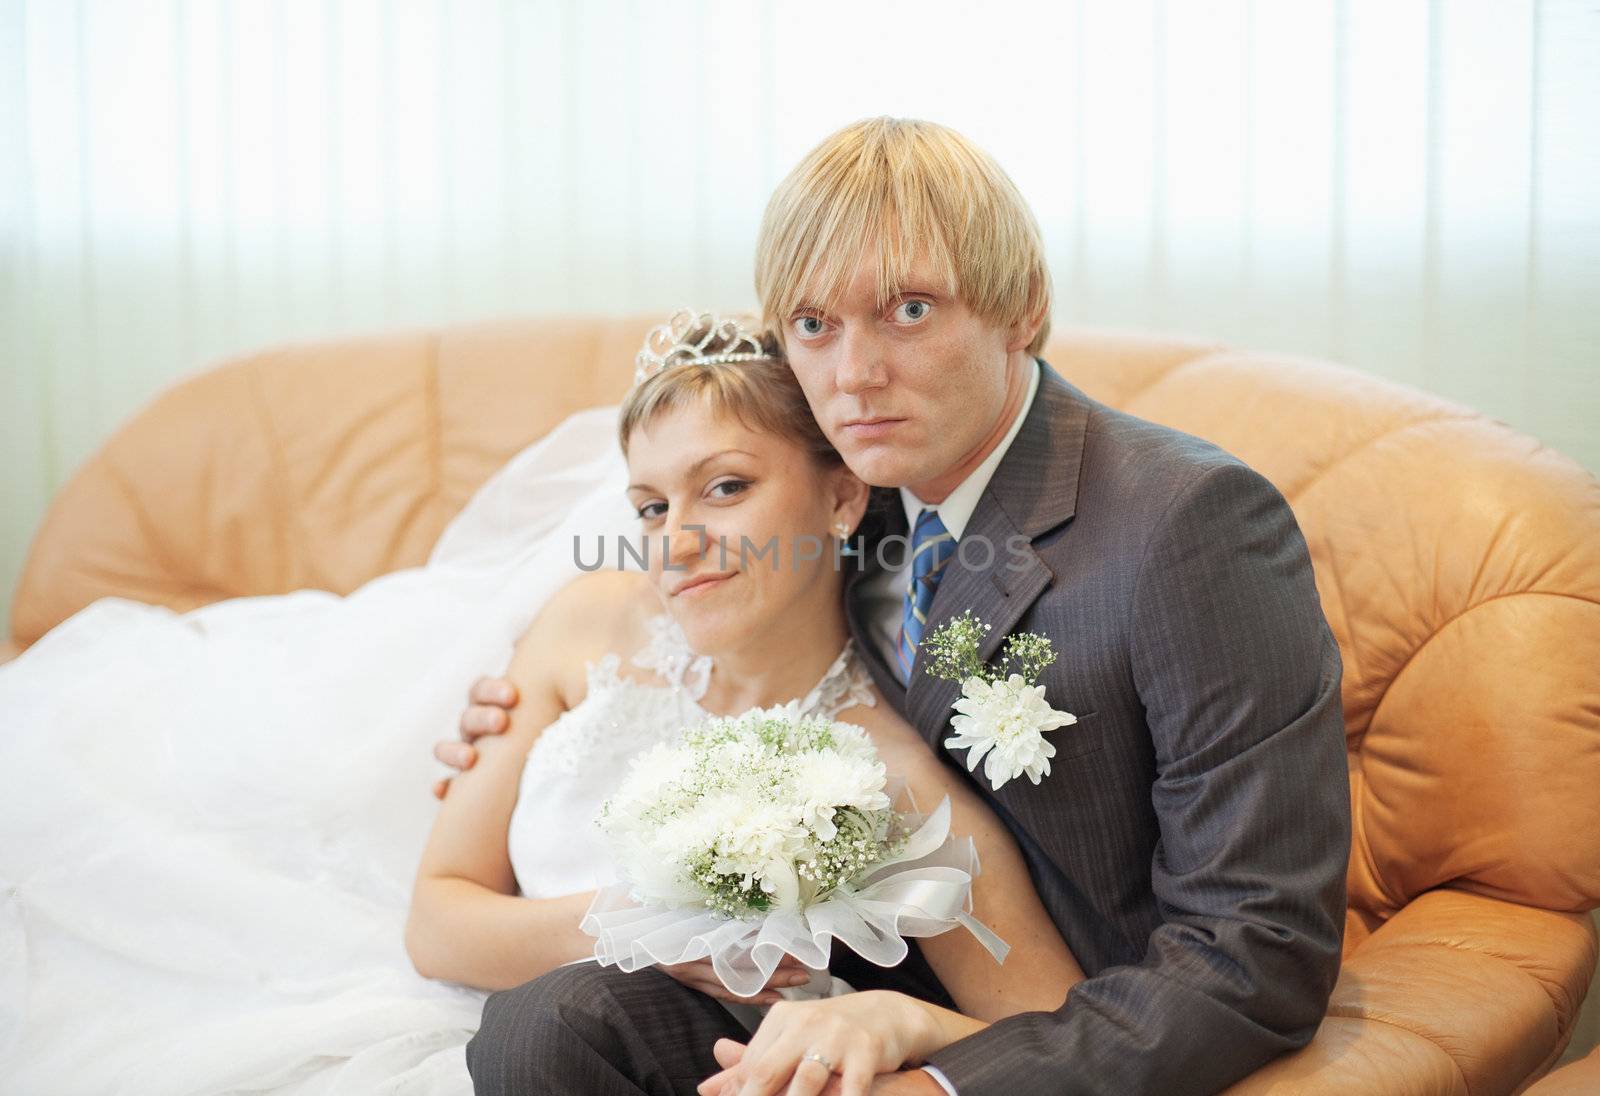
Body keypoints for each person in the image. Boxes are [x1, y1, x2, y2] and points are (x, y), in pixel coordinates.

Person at [445, 118, 1351, 1096]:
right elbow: (703, 584)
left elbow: (1254, 958)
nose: (852, 376)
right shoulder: (846, 487)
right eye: (813, 325)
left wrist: (934, 1066)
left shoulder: (1188, 526)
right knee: (543, 1030)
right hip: (824, 966)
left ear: (1024, 308)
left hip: (1055, 1020)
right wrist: (516, 724)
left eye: (909, 309)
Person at [409, 312, 1086, 1089]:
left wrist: (906, 1022)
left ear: (841, 496)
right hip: (465, 1028)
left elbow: (1054, 1033)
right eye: (653, 507)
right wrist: (642, 928)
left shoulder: (885, 773)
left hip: (664, 1063)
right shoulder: (583, 627)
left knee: (557, 1023)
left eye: (725, 487)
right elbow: (436, 921)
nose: (677, 541)